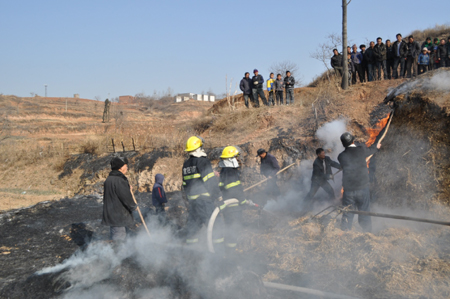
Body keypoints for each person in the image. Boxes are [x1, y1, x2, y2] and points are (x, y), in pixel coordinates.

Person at [181, 136, 222, 245]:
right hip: (204, 201)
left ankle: (191, 251)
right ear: (199, 147)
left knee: (193, 227)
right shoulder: (202, 161)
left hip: (193, 202)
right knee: (215, 225)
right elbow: (209, 181)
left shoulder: (186, 164)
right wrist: (218, 195)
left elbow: (185, 184)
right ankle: (218, 250)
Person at [338, 132, 381, 232]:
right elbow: (371, 150)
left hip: (349, 191)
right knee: (364, 212)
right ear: (353, 140)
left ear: (343, 144)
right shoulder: (361, 150)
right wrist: (377, 146)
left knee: (347, 213)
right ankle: (367, 234)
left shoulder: (341, 156)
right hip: (362, 188)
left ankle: (345, 234)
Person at [218, 146, 247, 252]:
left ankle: (228, 250)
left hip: (228, 207)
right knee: (234, 229)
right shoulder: (231, 172)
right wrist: (243, 200)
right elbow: (235, 189)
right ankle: (231, 252)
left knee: (229, 227)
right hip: (234, 207)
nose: (237, 160)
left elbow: (223, 187)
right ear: (230, 159)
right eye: (236, 157)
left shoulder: (224, 171)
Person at [102, 156, 137, 241]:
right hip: (118, 215)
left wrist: (127, 188)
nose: (127, 167)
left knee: (115, 234)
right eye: (126, 165)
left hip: (112, 214)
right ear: (121, 167)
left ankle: (116, 252)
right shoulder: (119, 180)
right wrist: (133, 206)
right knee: (119, 238)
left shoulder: (109, 179)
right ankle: (117, 253)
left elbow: (115, 194)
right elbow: (125, 197)